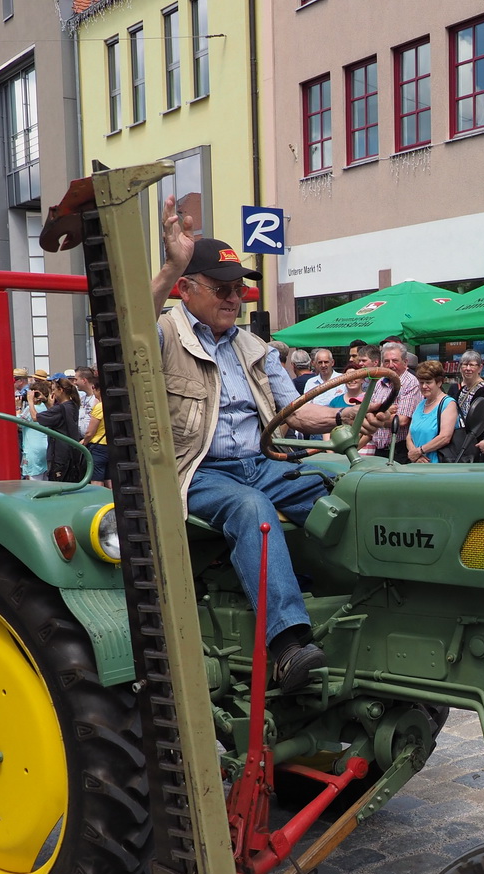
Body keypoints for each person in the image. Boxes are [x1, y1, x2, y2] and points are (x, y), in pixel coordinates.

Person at [151, 198, 338, 691]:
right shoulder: (165, 334)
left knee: (343, 485)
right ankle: (287, 646)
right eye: (222, 288)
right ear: (186, 289)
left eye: (239, 289)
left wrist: (346, 415)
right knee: (250, 508)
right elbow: (125, 326)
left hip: (260, 463)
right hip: (199, 472)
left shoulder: (252, 347)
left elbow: (297, 412)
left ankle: (363, 597)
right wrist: (170, 263)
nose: (235, 298)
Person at [404, 360, 457, 463]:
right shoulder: (420, 405)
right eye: (421, 382)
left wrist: (420, 451)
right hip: (417, 463)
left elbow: (445, 437)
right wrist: (415, 455)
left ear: (439, 382)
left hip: (437, 465)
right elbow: (409, 436)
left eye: (428, 382)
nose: (424, 386)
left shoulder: (448, 404)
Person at [37, 379, 86, 482]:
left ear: (61, 390)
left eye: (54, 390)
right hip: (70, 453)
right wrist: (47, 402)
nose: (53, 392)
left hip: (59, 455)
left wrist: (30, 402)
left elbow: (36, 417)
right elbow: (56, 417)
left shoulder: (61, 408)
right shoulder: (73, 405)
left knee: (58, 483)